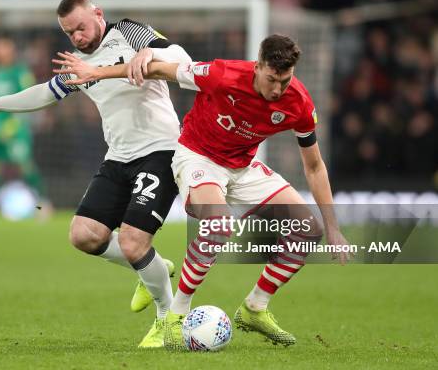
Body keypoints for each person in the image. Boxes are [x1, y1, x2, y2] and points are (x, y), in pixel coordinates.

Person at [52, 34, 353, 349]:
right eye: (272, 79)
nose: (278, 89)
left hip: (242, 167)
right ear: (258, 67)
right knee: (219, 225)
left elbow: (315, 167)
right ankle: (176, 315)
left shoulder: (299, 102)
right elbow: (159, 71)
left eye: (285, 80)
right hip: (198, 157)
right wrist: (96, 73)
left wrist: (333, 227)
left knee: (309, 228)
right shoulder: (222, 74)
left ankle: (255, 308)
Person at [0, 0, 193, 348]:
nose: (78, 37)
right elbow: (44, 93)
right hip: (118, 156)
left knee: (133, 242)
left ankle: (167, 317)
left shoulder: (129, 32)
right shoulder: (77, 63)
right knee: (84, 235)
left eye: (81, 27)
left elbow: (182, 58)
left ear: (98, 14)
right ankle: (154, 266)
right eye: (69, 33)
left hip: (160, 151)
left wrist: (152, 53)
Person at [0, 37, 51, 218]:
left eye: (2, 47)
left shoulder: (21, 72)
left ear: (11, 50)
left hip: (16, 130)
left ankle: (44, 204)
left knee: (25, 166)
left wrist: (13, 125)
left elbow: (30, 99)